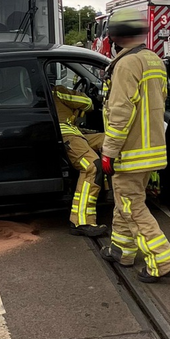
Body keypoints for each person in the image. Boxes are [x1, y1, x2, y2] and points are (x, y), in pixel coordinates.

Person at [99, 8, 170, 283]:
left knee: (131, 206)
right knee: (126, 202)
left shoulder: (125, 64)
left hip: (130, 151)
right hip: (151, 149)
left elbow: (120, 112)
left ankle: (162, 260)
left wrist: (109, 151)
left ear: (114, 36)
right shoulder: (153, 59)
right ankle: (122, 250)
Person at [51, 76, 107, 237]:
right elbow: (87, 104)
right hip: (68, 135)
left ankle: (109, 189)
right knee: (91, 166)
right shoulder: (58, 91)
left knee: (110, 140)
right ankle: (82, 221)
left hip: (76, 133)